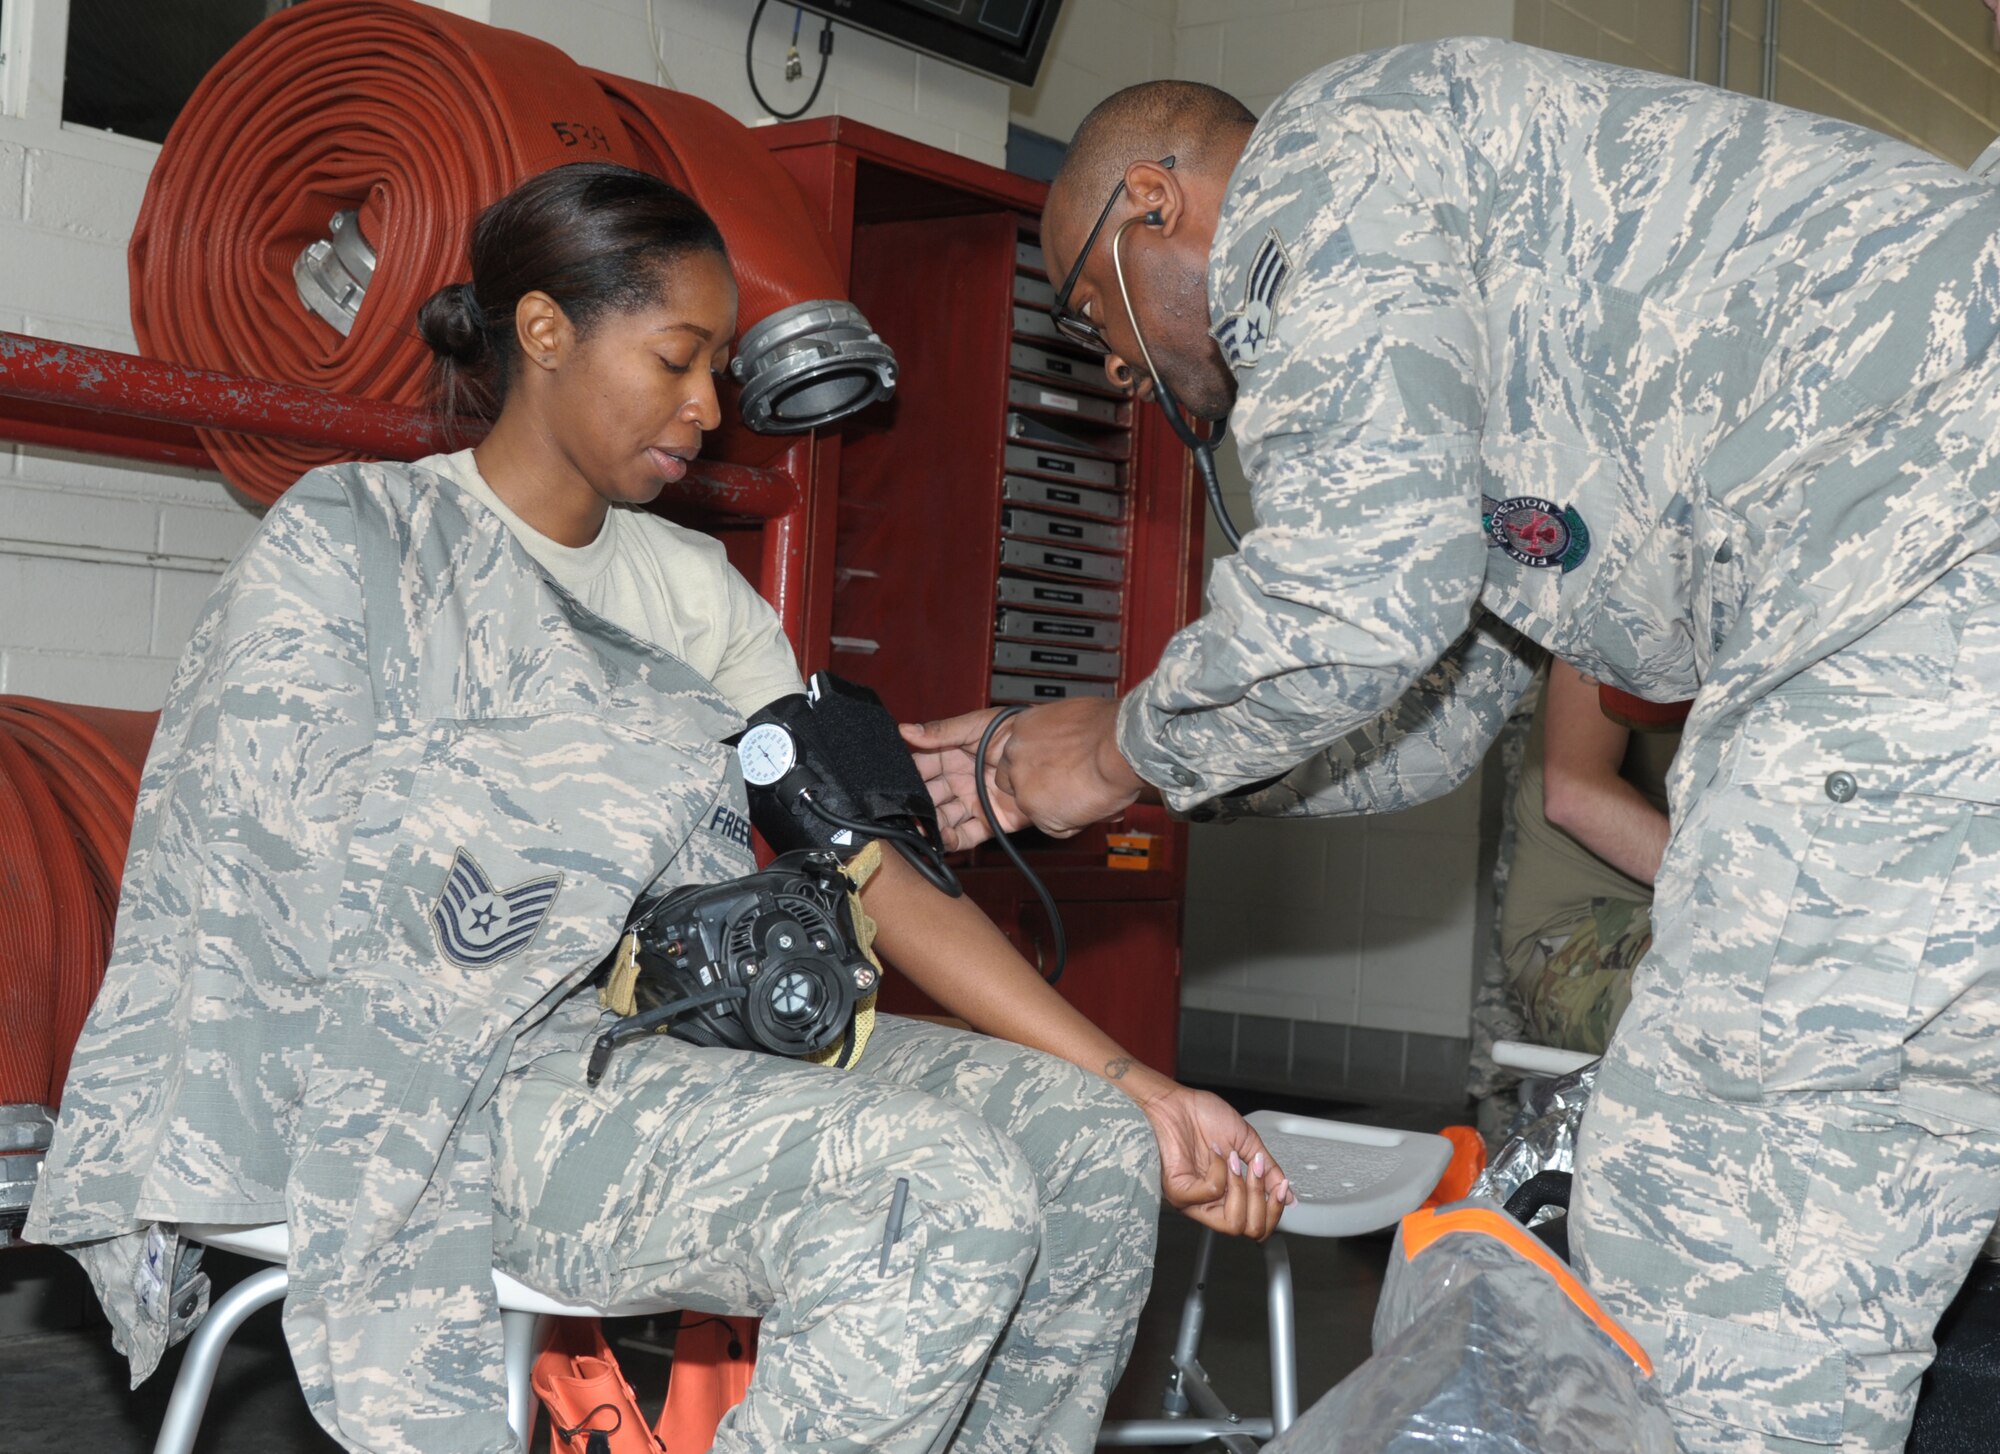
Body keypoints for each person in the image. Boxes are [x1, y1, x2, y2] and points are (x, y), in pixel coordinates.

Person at [24, 163, 1290, 1454]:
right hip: (408, 1077)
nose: (707, 408)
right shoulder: (354, 538)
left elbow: (865, 863)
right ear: (544, 331)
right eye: (678, 360)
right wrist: (583, 778)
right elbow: (264, 863)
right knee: (933, 1189)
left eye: (721, 372)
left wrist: (1135, 1082)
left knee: (1087, 1145)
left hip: (630, 1044)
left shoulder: (693, 591)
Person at [903, 44, 2000, 1454]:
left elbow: (1362, 591)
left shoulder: (1318, 174)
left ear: (1157, 203)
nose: (1117, 372)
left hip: (1916, 598)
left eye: (1089, 312)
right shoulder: (1465, 293)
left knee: (1706, 1240)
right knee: (1869, 1198)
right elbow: (1434, 708)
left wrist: (1110, 749)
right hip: (1933, 632)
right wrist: (1185, 777)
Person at [1501, 660, 1680, 1058]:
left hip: (1701, 915)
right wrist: (1744, 894)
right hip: (1581, 934)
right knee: (1748, 998)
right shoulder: (1625, 606)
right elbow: (1573, 797)